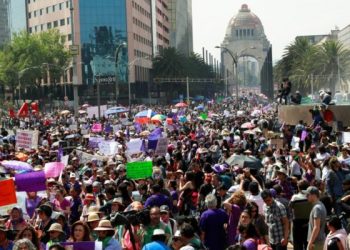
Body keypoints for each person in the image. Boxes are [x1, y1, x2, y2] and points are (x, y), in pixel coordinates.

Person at [289, 180, 313, 250]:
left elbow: (290, 206)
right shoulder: (311, 196)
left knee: (297, 243)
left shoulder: (295, 197)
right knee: (307, 242)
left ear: (299, 188)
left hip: (297, 223)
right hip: (309, 222)